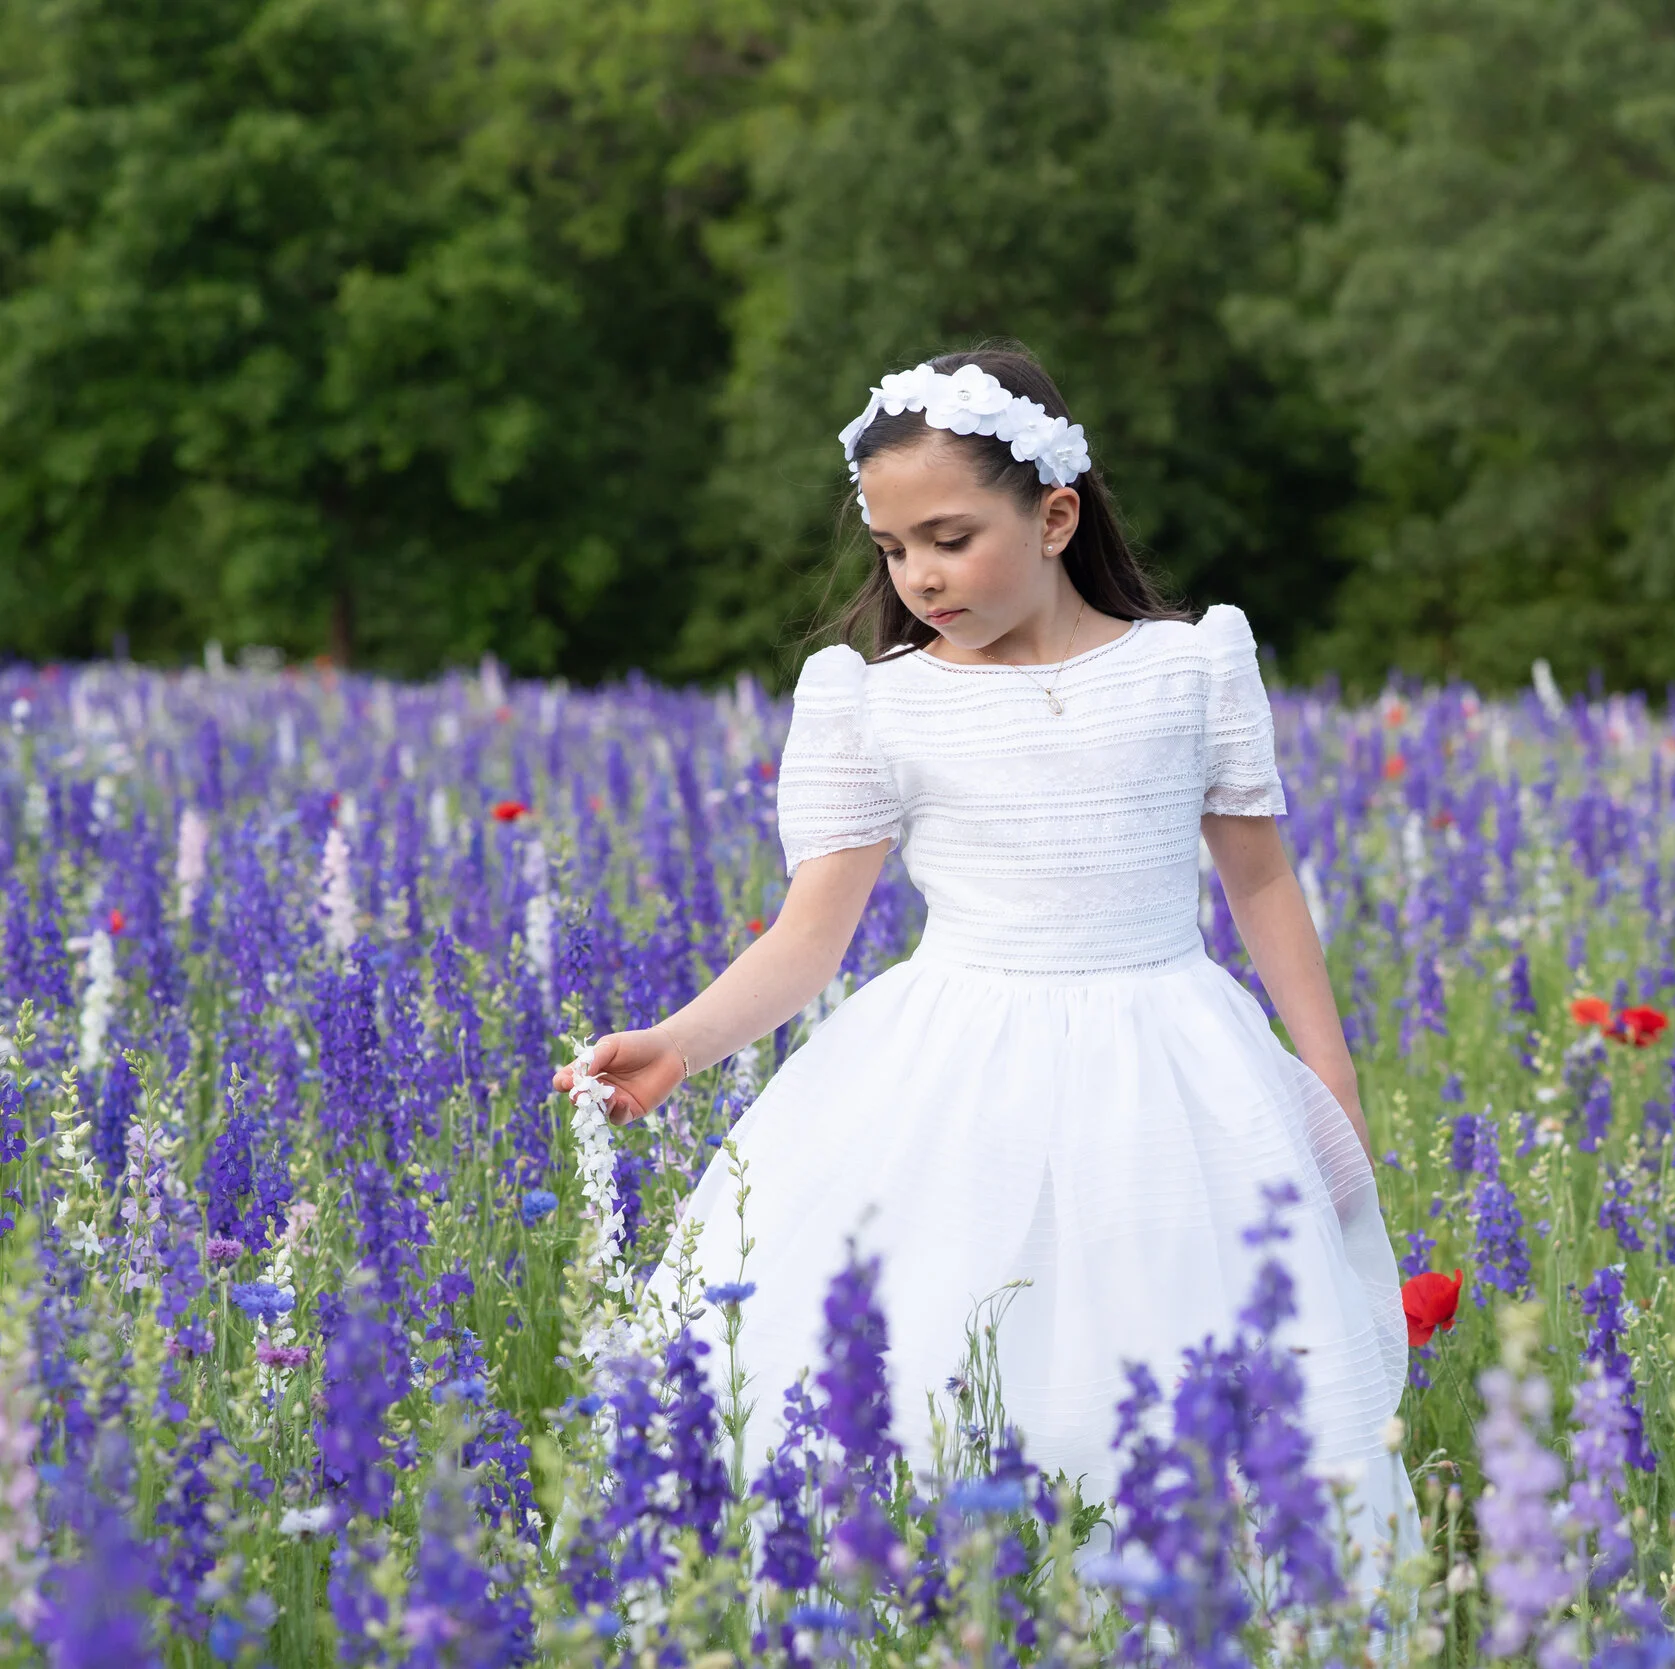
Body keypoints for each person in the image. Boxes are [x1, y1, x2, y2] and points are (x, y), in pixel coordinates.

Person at [552, 344, 1419, 1604]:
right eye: (896, 549)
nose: (920, 576)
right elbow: (811, 935)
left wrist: (1327, 1078)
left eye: (950, 538)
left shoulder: (1189, 668)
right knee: (919, 1371)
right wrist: (680, 1043)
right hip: (953, 1070)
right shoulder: (876, 703)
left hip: (1174, 1069)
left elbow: (1262, 883)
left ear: (1056, 514)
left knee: (1198, 1371)